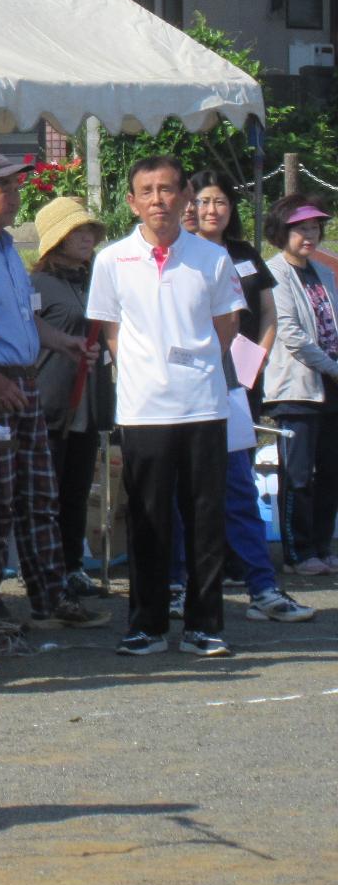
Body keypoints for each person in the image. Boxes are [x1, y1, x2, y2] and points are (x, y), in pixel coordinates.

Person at [85, 155, 243, 658]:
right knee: (149, 521)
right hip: (143, 409)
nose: (159, 200)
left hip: (202, 405)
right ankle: (146, 625)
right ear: (131, 201)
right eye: (147, 190)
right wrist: (148, 371)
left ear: (185, 197)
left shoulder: (212, 258)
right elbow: (111, 333)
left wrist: (191, 369)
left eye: (168, 189)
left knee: (205, 520)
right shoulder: (112, 259)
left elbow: (227, 329)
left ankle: (204, 625)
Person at [0, 152, 106, 632]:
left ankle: (50, 594)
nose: (16, 194)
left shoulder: (3, 247)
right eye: (5, 186)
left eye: (16, 185)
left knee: (39, 494)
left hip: (24, 379)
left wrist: (60, 341)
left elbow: (19, 316)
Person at [168, 175, 312, 623]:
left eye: (216, 202)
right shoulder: (146, 256)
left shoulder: (230, 256)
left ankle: (262, 588)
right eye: (198, 202)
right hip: (168, 393)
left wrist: (246, 367)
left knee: (238, 488)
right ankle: (174, 584)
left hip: (227, 385)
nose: (205, 210)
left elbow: (245, 318)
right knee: (173, 493)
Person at [29, 197, 115, 601]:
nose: (86, 237)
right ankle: (48, 570)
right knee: (49, 490)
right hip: (51, 397)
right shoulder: (36, 285)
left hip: (90, 398)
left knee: (79, 487)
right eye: (77, 231)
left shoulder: (97, 279)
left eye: (89, 231)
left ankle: (73, 565)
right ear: (57, 238)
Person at [262, 193, 338, 577]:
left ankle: (323, 546)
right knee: (298, 473)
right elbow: (289, 332)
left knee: (330, 471)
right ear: (283, 231)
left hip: (331, 388)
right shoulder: (274, 271)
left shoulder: (323, 272)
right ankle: (297, 551)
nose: (309, 235)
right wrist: (331, 366)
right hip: (296, 388)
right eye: (301, 228)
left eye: (314, 227)